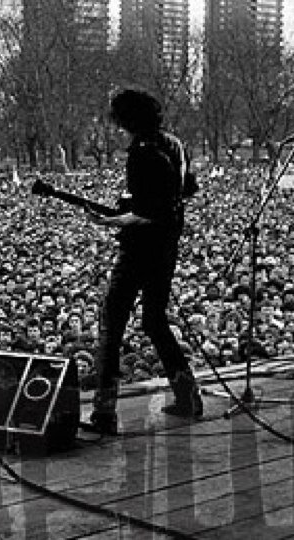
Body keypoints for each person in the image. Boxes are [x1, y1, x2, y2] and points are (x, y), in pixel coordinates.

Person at [87, 87, 201, 434]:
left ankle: (104, 412)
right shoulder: (174, 144)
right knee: (153, 320)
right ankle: (188, 395)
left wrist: (113, 220)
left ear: (127, 119)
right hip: (166, 247)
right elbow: (184, 191)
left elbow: (148, 211)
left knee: (112, 323)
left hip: (139, 248)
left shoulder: (140, 152)